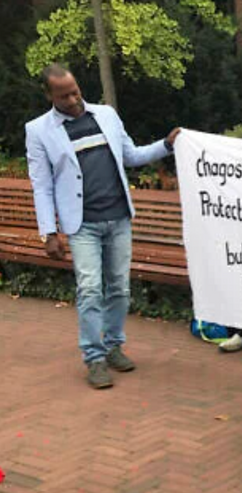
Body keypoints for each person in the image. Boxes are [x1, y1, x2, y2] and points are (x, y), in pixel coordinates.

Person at [25, 64, 180, 389]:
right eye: (63, 95)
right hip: (82, 225)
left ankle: (113, 346)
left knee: (120, 288)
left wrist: (166, 144)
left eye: (75, 91)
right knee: (91, 290)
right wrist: (48, 232)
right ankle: (94, 358)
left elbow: (132, 156)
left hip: (119, 217)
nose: (72, 99)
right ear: (48, 95)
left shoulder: (106, 115)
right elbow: (41, 185)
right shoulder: (39, 130)